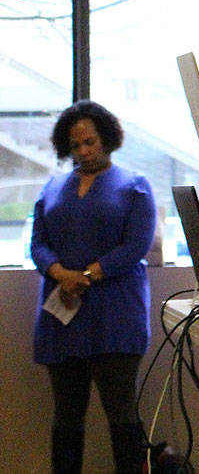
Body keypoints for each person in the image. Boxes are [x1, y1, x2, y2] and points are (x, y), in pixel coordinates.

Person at [30, 100, 156, 474]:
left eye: (90, 141)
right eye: (75, 145)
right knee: (66, 417)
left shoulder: (135, 186)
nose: (84, 151)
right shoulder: (53, 187)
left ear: (107, 138)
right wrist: (60, 274)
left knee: (122, 414)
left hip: (116, 316)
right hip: (62, 315)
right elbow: (37, 244)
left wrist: (86, 275)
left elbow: (136, 246)